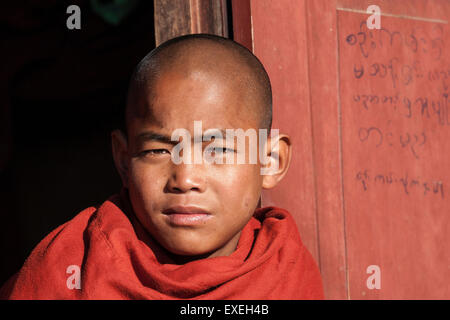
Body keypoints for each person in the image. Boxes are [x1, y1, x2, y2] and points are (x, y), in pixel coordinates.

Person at [0, 34, 324, 299]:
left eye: (219, 150)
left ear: (270, 162)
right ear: (123, 160)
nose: (184, 179)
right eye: (157, 150)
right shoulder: (72, 267)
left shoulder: (284, 268)